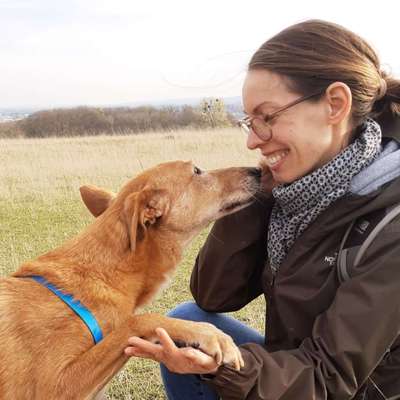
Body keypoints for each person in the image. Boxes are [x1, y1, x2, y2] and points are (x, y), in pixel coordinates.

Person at [124, 19, 400, 399]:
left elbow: (329, 376)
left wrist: (226, 365)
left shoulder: (392, 225)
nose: (253, 141)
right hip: (296, 372)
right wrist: (251, 194)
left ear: (335, 104)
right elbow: (213, 296)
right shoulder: (297, 188)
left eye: (267, 117)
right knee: (188, 322)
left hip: (343, 388)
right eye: (249, 121)